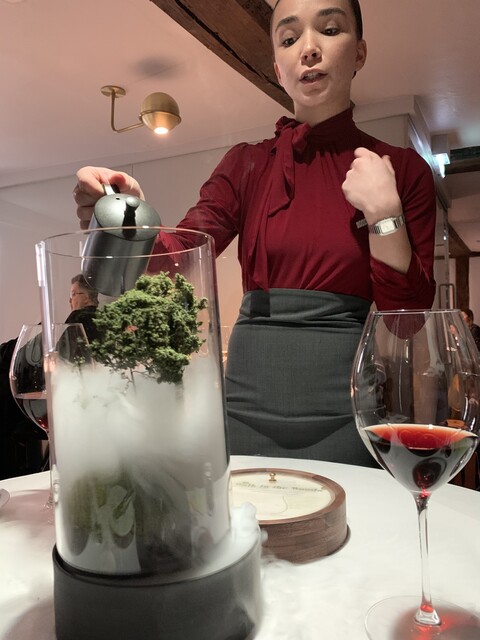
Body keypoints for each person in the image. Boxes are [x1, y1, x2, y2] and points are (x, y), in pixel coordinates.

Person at [72, 0, 436, 466]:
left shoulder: (402, 170)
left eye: (329, 30)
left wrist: (385, 213)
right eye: (289, 39)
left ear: (359, 53)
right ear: (279, 70)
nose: (308, 49)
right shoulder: (246, 164)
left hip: (347, 410)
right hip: (244, 405)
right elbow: (181, 254)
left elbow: (405, 321)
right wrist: (132, 218)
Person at [65, 274, 100, 342]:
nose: (70, 300)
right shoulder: (106, 316)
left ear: (86, 297)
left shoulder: (77, 316)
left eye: (73, 294)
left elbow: (64, 346)